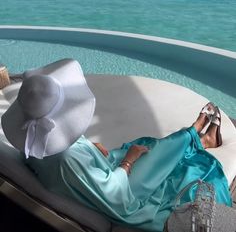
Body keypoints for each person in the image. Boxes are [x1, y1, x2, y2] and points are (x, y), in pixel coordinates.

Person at [1, 59, 232, 232]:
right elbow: (118, 200)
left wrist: (88, 147)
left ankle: (195, 138)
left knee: (146, 145)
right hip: (121, 193)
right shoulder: (67, 160)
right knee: (150, 151)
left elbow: (58, 152)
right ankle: (195, 137)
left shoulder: (30, 141)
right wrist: (128, 161)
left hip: (91, 177)